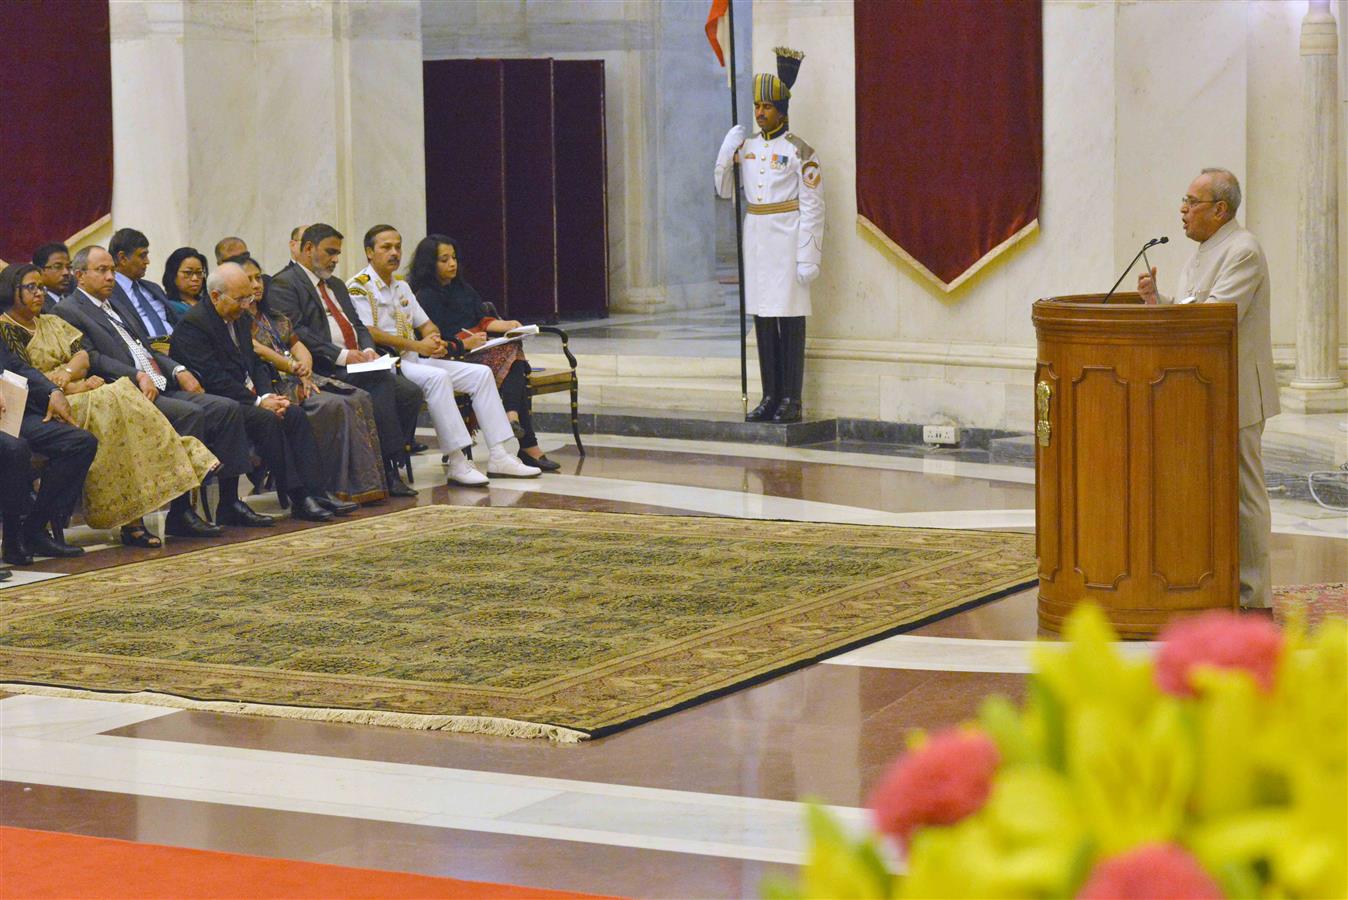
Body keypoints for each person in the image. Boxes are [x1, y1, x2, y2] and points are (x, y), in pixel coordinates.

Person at [1138, 168, 1280, 611]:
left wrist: (1172, 311)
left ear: (1220, 210)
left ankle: (1254, 598)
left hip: (1234, 393)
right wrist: (1155, 303)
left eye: (1191, 201)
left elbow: (1215, 320)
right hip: (1200, 394)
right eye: (1184, 200)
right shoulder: (1203, 252)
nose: (1182, 209)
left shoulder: (1243, 251)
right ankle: (1212, 587)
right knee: (1207, 495)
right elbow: (1189, 310)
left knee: (1243, 496)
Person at [0, 264, 218, 547]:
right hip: (43, 405)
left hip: (72, 393)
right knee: (115, 400)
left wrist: (67, 376)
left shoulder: (50, 322)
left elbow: (83, 357)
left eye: (41, 287)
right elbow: (22, 375)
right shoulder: (7, 329)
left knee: (119, 397)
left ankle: (137, 513)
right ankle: (180, 457)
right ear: (10, 290)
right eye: (31, 288)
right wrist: (73, 384)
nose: (39, 293)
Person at [54, 245, 265, 536]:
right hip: (126, 392)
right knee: (191, 414)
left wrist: (179, 369)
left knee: (225, 408)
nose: (110, 277)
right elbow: (93, 358)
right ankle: (181, 512)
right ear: (80, 275)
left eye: (112, 270)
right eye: (101, 270)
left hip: (159, 381)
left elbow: (146, 346)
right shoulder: (67, 310)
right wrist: (137, 375)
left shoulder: (118, 302)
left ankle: (229, 502)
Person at [348, 226, 540, 485]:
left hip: (414, 358)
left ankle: (499, 454)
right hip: (386, 363)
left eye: (398, 246)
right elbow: (370, 331)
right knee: (438, 378)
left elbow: (427, 324)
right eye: (386, 247)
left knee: (481, 374)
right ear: (369, 252)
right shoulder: (359, 288)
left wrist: (433, 339)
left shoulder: (401, 287)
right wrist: (418, 346)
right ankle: (458, 461)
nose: (394, 253)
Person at [171, 263, 356, 522]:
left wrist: (268, 396)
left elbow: (257, 363)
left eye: (249, 297)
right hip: (217, 401)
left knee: (293, 414)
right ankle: (297, 496)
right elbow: (214, 379)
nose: (247, 304)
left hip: (243, 397)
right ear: (215, 296)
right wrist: (259, 402)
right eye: (240, 299)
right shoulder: (194, 325)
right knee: (267, 419)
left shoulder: (241, 317)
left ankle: (316, 490)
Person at [265, 223, 419, 497]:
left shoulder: (335, 284)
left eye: (338, 253)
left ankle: (389, 458)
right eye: (330, 252)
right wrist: (344, 355)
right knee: (381, 383)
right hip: (324, 367)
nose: (336, 259)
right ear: (309, 248)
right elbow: (296, 332)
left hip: (357, 362)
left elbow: (358, 325)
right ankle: (387, 469)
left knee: (410, 392)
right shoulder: (284, 284)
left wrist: (369, 349)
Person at [714, 47, 824, 424]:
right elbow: (724, 189)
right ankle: (769, 395)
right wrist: (724, 154)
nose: (760, 113)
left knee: (789, 319)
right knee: (762, 319)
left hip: (787, 241)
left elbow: (813, 207)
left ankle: (792, 399)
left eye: (767, 107)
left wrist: (809, 255)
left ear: (782, 109)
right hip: (757, 240)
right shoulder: (747, 148)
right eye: (757, 106)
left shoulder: (800, 152)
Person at [230, 254, 386, 504]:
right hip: (273, 385)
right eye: (249, 280)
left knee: (359, 398)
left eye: (258, 277)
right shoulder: (237, 321)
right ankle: (328, 487)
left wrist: (304, 369)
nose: (256, 284)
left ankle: (362, 486)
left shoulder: (276, 317)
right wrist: (294, 368)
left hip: (300, 378)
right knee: (332, 406)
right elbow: (258, 350)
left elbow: (298, 345)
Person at [409, 234, 558, 471]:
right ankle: (524, 438)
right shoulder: (425, 295)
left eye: (454, 258)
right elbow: (436, 337)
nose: (452, 264)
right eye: (444, 259)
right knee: (512, 359)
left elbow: (481, 319)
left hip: (478, 349)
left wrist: (508, 326)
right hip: (452, 354)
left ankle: (514, 420)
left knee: (512, 349)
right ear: (430, 264)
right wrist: (468, 341)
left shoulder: (463, 288)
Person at [0, 340, 97, 565]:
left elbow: (17, 366)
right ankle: (13, 540)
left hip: (11, 413)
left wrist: (52, 391)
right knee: (15, 448)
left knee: (80, 442)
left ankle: (34, 528)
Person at [109, 227, 178, 336]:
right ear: (122, 258)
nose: (147, 261)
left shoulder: (153, 288)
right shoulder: (109, 294)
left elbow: (174, 321)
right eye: (142, 255)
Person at [161, 247, 209, 320]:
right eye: (188, 273)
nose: (195, 278)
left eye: (199, 273)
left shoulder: (208, 302)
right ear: (173, 275)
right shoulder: (168, 308)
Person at [32, 242, 71, 312]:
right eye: (58, 267)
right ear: (39, 271)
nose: (66, 272)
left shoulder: (73, 299)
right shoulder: (37, 306)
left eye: (68, 267)